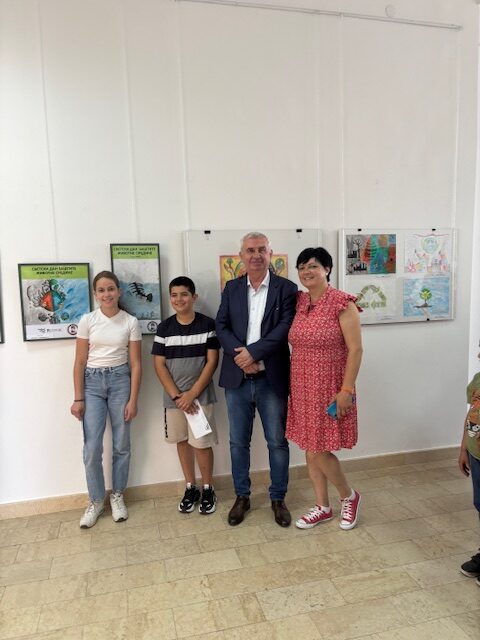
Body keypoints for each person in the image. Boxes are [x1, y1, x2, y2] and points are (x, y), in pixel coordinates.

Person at [216, 232, 297, 527]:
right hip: (237, 378)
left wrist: (253, 353)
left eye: (262, 249)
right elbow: (221, 325)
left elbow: (285, 327)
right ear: (241, 256)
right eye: (250, 250)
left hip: (270, 378)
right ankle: (242, 496)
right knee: (238, 442)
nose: (256, 255)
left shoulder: (286, 288)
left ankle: (278, 498)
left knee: (277, 442)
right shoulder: (232, 288)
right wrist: (242, 357)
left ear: (270, 253)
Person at [286, 247, 363, 531]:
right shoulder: (299, 302)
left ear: (327, 269)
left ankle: (348, 496)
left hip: (330, 386)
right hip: (302, 386)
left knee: (319, 449)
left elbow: (356, 350)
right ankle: (322, 506)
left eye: (313, 266)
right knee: (310, 447)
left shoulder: (342, 303)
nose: (307, 271)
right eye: (302, 267)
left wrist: (347, 390)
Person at [71, 271, 142, 528]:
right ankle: (96, 500)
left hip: (120, 381)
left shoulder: (130, 321)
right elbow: (80, 362)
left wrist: (133, 399)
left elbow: (136, 364)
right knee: (92, 448)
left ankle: (118, 495)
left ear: (119, 291)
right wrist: (78, 398)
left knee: (121, 444)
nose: (107, 294)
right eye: (101, 290)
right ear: (95, 294)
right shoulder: (87, 320)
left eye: (111, 289)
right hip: (91, 384)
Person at [152, 277, 220, 514]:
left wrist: (192, 394)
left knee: (201, 444)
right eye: (174, 295)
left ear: (194, 297)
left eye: (184, 294)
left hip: (201, 398)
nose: (178, 299)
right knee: (182, 441)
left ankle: (208, 488)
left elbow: (212, 362)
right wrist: (177, 396)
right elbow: (159, 365)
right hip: (174, 401)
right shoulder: (164, 328)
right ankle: (191, 487)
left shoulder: (208, 325)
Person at [458, 344, 480, 585]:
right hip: (476, 454)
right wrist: (463, 447)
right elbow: (472, 414)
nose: (479, 355)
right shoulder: (477, 381)